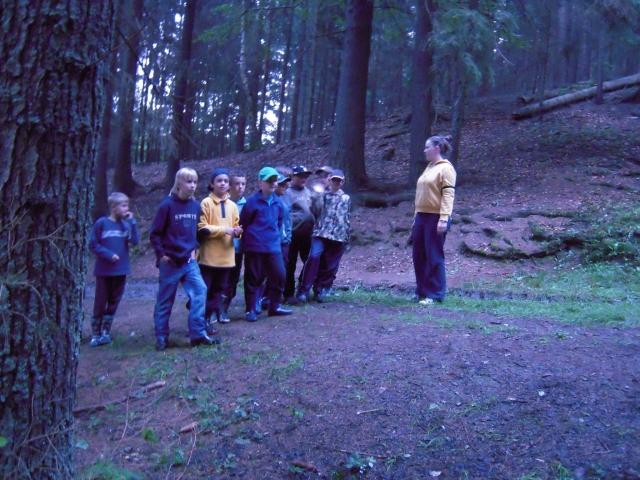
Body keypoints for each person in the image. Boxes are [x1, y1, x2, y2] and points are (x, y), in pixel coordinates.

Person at [150, 167, 217, 350]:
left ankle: (197, 334)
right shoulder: (167, 205)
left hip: (188, 261)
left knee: (200, 290)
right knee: (165, 299)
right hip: (170, 262)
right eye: (188, 182)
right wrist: (161, 254)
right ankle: (162, 337)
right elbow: (155, 234)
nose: (192, 185)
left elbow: (197, 231)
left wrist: (194, 248)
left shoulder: (195, 206)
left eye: (195, 182)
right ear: (179, 183)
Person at [240, 167, 293, 321]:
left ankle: (274, 306)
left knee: (280, 275)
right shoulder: (252, 202)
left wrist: (273, 239)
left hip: (273, 247)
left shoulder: (278, 203)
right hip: (255, 247)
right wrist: (251, 241)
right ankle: (250, 309)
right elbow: (244, 222)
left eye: (275, 180)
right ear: (260, 182)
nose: (273, 183)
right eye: (269, 180)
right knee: (253, 278)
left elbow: (279, 223)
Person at [88, 192, 140, 346]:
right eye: (123, 206)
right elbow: (93, 244)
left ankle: (106, 332)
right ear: (113, 207)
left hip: (120, 270)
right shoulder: (102, 223)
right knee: (100, 301)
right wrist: (108, 254)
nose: (126, 209)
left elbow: (135, 241)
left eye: (127, 206)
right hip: (104, 271)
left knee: (114, 301)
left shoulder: (125, 226)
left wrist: (132, 223)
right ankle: (95, 334)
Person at [412, 135, 456, 305]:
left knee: (434, 255)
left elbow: (448, 194)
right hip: (422, 216)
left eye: (427, 147)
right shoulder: (429, 167)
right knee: (419, 255)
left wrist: (444, 218)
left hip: (436, 216)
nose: (424, 150)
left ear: (436, 149)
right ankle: (421, 291)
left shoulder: (446, 168)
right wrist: (416, 217)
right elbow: (421, 194)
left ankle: (435, 294)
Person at [197, 168, 242, 330]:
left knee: (218, 291)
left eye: (225, 181)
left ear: (229, 185)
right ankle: (198, 322)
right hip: (209, 257)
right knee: (205, 291)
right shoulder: (206, 203)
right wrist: (224, 230)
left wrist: (237, 232)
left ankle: (207, 320)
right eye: (219, 181)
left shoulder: (233, 206)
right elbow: (202, 228)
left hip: (226, 258)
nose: (222, 184)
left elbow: (235, 226)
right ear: (212, 184)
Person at [297, 170, 351, 303]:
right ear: (330, 181)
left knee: (329, 265)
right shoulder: (323, 196)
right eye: (334, 180)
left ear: (343, 182)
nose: (336, 182)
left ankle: (318, 290)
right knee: (314, 256)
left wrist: (347, 236)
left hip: (338, 236)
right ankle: (304, 290)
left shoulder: (346, 198)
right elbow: (314, 210)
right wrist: (317, 195)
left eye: (339, 180)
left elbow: (346, 218)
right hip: (321, 233)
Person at [257, 169, 292, 313]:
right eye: (281, 183)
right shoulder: (264, 202)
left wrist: (287, 238)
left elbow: (287, 224)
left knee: (279, 274)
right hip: (266, 244)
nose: (285, 186)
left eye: (285, 184)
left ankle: (272, 301)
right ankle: (258, 300)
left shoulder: (282, 204)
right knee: (262, 273)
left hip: (282, 243)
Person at [283, 165, 316, 303]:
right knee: (290, 265)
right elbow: (285, 213)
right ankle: (288, 294)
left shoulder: (309, 193)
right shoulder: (288, 193)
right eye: (301, 176)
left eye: (306, 176)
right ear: (293, 177)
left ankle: (302, 289)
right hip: (293, 235)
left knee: (310, 262)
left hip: (308, 234)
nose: (304, 178)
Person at [221, 173, 247, 322]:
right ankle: (214, 308)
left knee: (233, 279)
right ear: (230, 186)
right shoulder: (222, 203)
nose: (240, 187)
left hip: (238, 249)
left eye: (243, 184)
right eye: (237, 184)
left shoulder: (246, 205)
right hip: (223, 248)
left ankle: (224, 308)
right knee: (221, 279)